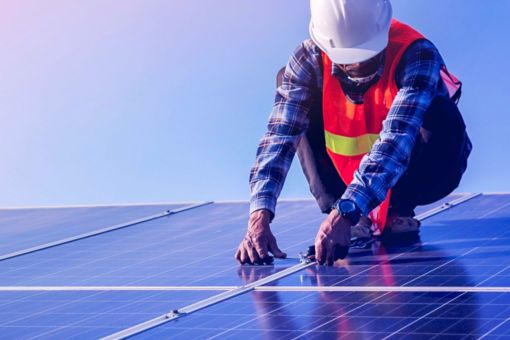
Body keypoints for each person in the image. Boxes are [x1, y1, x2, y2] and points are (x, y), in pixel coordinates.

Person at [235, 0, 471, 266]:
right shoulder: (308, 60)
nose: (357, 65)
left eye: (366, 55)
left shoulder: (416, 54)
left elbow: (396, 139)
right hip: (344, 179)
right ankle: (352, 213)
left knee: (439, 109)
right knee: (293, 102)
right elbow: (279, 137)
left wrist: (344, 213)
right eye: (348, 58)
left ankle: (397, 210)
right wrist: (259, 215)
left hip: (417, 173)